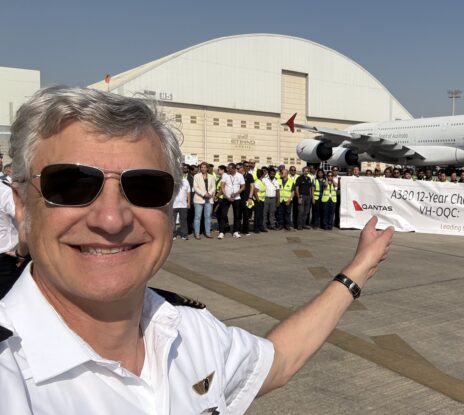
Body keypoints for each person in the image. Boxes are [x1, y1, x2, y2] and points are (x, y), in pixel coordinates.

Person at [0, 86, 395, 413]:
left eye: (145, 188)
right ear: (21, 206)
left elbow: (277, 362)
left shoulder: (188, 329)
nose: (111, 219)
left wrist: (357, 270)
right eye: (71, 185)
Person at [192, 162, 216, 239]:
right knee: (197, 217)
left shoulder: (212, 177)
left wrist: (209, 193)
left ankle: (208, 233)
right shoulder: (196, 176)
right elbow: (195, 187)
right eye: (201, 167)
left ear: (207, 168)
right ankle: (197, 234)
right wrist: (204, 194)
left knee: (208, 217)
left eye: (204, 167)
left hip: (209, 199)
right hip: (199, 199)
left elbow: (213, 187)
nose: (203, 168)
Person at [172, 174, 191, 240]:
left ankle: (184, 234)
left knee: (183, 220)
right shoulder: (173, 180)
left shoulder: (186, 181)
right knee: (172, 221)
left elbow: (188, 192)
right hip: (174, 204)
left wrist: (188, 202)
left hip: (183, 205)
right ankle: (173, 235)